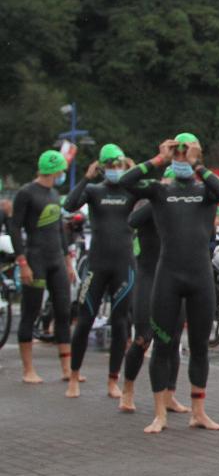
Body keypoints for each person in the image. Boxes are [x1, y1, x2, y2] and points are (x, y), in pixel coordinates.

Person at [119, 133, 219, 434]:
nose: (181, 157)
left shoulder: (205, 191)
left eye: (186, 152)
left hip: (200, 279)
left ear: (196, 154)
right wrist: (159, 159)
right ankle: (159, 414)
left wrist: (197, 165)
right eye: (177, 153)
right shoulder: (159, 191)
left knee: (199, 348)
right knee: (163, 347)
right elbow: (126, 182)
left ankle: (199, 412)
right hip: (167, 277)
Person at [62, 144, 138, 398]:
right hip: (97, 264)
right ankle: (74, 377)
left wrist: (133, 170)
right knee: (84, 320)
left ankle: (112, 381)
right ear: (103, 167)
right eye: (110, 166)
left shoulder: (131, 190)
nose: (115, 170)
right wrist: (86, 176)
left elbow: (152, 190)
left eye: (118, 165)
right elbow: (70, 205)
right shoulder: (95, 190)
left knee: (120, 325)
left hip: (123, 266)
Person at [121, 184, 189, 416]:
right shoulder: (151, 207)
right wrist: (158, 199)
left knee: (173, 341)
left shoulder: (181, 210)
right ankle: (127, 390)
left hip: (172, 278)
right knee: (143, 338)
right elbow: (132, 220)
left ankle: (169, 395)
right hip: (148, 277)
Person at [10, 150, 75, 385]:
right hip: (35, 258)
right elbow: (15, 227)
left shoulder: (54, 193)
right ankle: (28, 369)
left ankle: (67, 368)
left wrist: (68, 260)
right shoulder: (26, 193)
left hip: (56, 259)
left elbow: (60, 228)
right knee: (31, 311)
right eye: (61, 171)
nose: (62, 175)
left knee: (64, 311)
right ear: (54, 169)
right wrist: (22, 262)